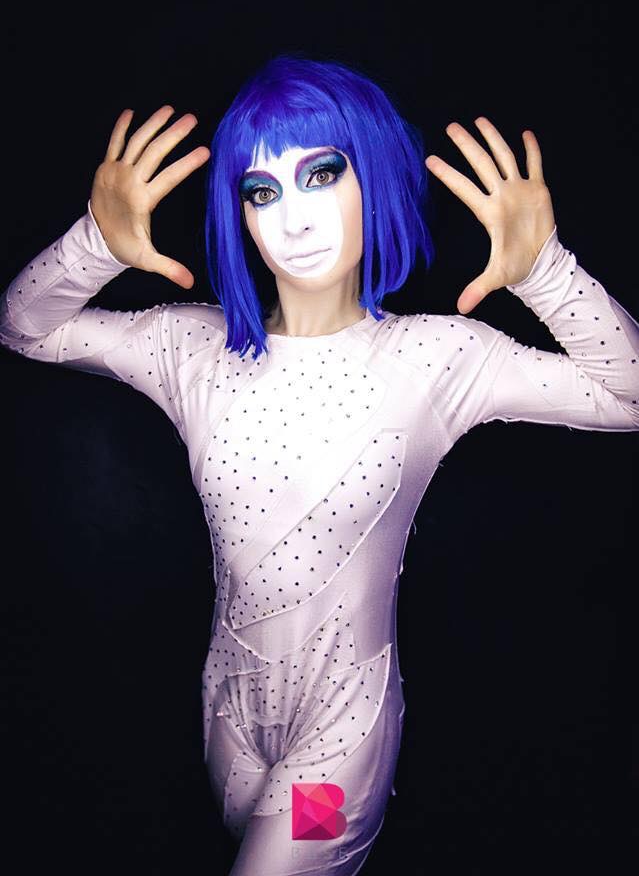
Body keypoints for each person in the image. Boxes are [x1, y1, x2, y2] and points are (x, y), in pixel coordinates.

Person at [1, 54, 637, 876]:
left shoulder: (436, 359)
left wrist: (547, 271)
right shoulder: (189, 348)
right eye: (261, 191)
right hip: (226, 725)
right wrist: (95, 242)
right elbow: (24, 327)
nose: (292, 220)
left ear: (374, 176)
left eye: (322, 175)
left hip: (340, 751)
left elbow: (627, 395)